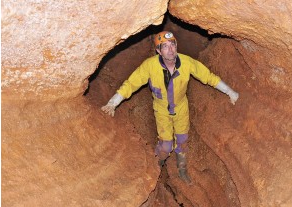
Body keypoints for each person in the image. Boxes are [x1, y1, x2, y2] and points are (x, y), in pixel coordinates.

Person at [101, 31, 239, 184]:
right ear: (158, 51)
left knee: (182, 140)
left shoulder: (186, 63)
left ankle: (182, 168)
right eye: (165, 47)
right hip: (161, 111)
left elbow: (208, 77)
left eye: (172, 45)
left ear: (176, 46)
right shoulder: (150, 66)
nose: (170, 49)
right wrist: (113, 103)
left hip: (181, 108)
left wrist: (230, 92)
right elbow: (131, 84)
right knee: (166, 145)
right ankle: (159, 163)